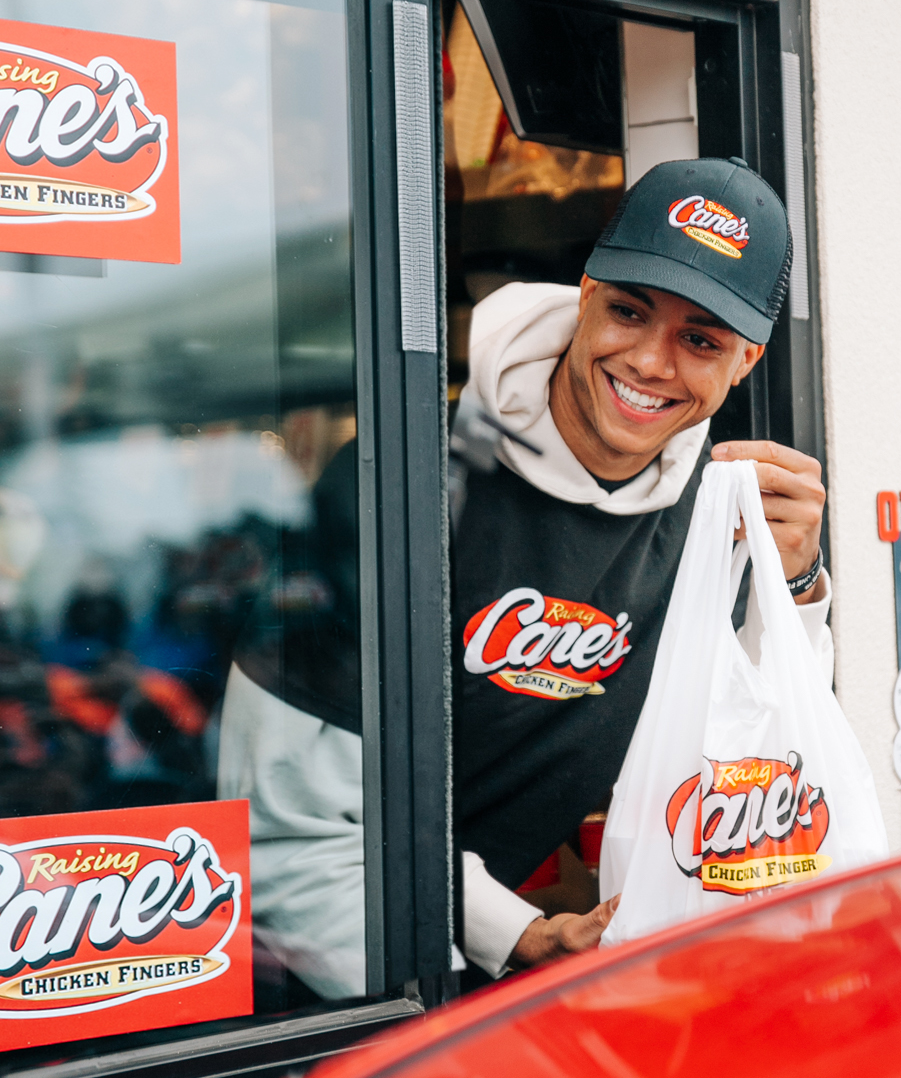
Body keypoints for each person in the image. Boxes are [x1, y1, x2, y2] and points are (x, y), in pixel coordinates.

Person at [219, 157, 837, 991]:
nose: (652, 363)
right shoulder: (398, 488)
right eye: (629, 311)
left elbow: (758, 783)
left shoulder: (717, 521)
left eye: (700, 339)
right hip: (305, 984)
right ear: (584, 296)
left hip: (482, 971)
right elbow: (293, 835)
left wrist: (790, 590)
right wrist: (513, 936)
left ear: (747, 362)